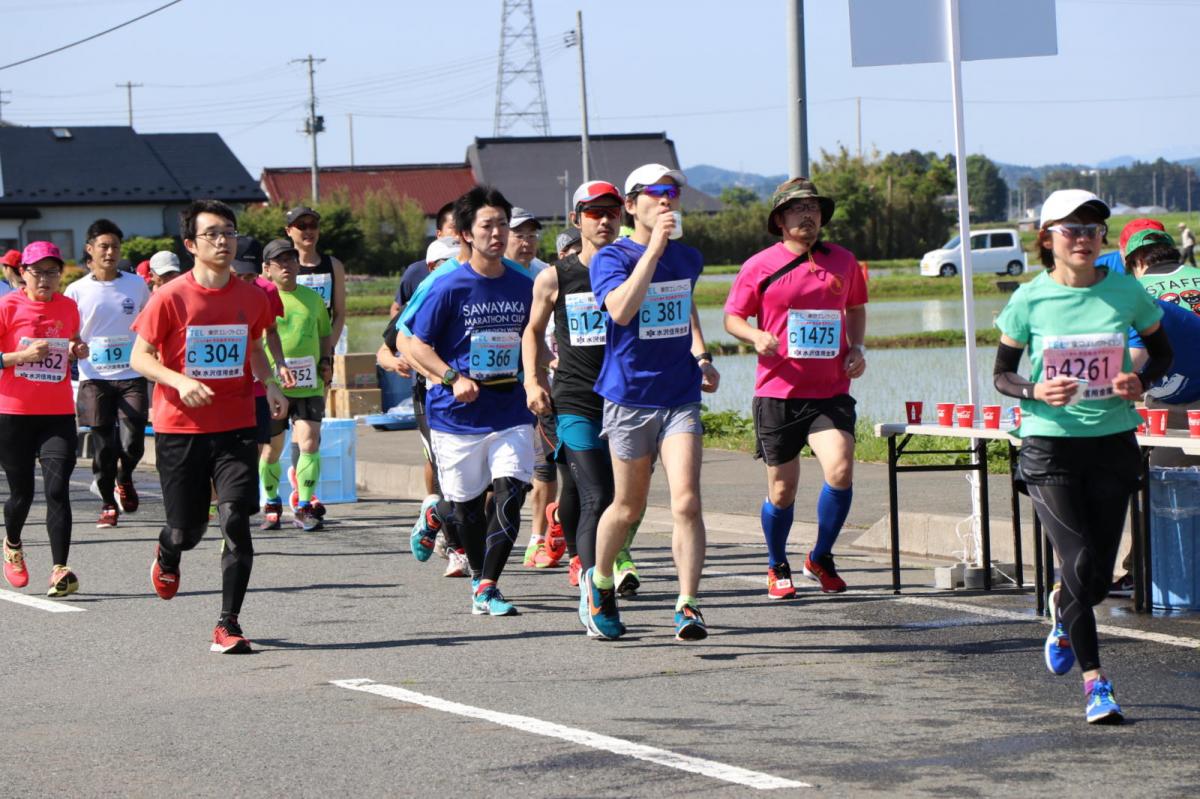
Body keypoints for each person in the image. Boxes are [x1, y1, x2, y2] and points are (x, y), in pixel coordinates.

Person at [993, 189, 1171, 724]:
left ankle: (1061, 609)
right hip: (1050, 446)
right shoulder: (1029, 299)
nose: (1084, 239)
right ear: (1047, 239)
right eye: (1071, 230)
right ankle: (1097, 684)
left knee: (1093, 579)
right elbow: (1002, 374)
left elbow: (1162, 351)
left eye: (1093, 230)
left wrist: (1141, 379)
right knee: (1082, 562)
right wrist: (1034, 391)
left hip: (1113, 442)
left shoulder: (1124, 291)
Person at [131, 199, 287, 654]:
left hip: (237, 422)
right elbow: (138, 357)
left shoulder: (251, 295)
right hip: (181, 428)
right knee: (188, 530)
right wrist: (179, 380)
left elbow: (255, 345)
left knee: (236, 517)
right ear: (190, 245)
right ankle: (168, 550)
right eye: (212, 234)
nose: (223, 241)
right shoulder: (170, 297)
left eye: (229, 232)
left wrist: (270, 383)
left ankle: (228, 623)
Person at [584, 164, 720, 641]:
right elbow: (621, 309)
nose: (667, 201)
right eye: (656, 193)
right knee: (628, 506)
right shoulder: (610, 258)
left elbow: (683, 306)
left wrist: (700, 356)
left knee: (686, 501)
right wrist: (654, 249)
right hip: (629, 397)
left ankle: (688, 604)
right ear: (631, 204)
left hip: (679, 394)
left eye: (673, 193)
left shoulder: (689, 259)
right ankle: (599, 583)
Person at [724, 178, 868, 599]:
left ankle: (820, 557)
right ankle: (776, 561)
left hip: (830, 391)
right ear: (779, 219)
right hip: (778, 392)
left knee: (840, 468)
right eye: (797, 209)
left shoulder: (842, 261)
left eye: (814, 209)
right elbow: (732, 317)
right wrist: (755, 337)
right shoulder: (759, 265)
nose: (808, 215)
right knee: (782, 490)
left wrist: (856, 347)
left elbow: (856, 308)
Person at [401, 185, 535, 617]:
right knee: (468, 509)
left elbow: (536, 340)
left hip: (511, 409)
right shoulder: (447, 285)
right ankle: (477, 573)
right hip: (456, 416)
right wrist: (451, 376)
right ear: (465, 234)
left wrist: (539, 378)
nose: (497, 233)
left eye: (502, 225)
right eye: (487, 226)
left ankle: (489, 586)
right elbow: (413, 344)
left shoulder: (524, 282)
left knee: (512, 491)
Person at [525, 180, 647, 625]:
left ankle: (580, 546)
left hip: (628, 399)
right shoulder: (557, 275)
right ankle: (596, 586)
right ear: (577, 219)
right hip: (575, 398)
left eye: (612, 211)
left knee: (615, 497)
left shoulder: (638, 266)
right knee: (598, 494)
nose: (604, 220)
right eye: (594, 213)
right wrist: (533, 381)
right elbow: (533, 331)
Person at [0, 242, 87, 597]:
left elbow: (73, 342)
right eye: (38, 272)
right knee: (22, 493)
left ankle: (59, 568)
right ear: (23, 273)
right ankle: (13, 544)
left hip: (57, 414)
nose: (46, 279)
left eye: (53, 272)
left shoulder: (68, 307)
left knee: (56, 490)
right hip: (14, 413)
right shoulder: (7, 305)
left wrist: (76, 349)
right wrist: (22, 355)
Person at [380, 236, 471, 578]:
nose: (455, 269)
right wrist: (399, 362)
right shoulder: (425, 297)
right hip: (432, 397)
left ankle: (437, 515)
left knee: (491, 485)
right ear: (432, 268)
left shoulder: (483, 290)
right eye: (446, 263)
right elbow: (387, 349)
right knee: (451, 477)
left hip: (479, 397)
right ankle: (458, 549)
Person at [65, 219, 152, 528]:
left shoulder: (135, 284)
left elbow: (150, 324)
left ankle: (125, 477)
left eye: (115, 246)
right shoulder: (76, 290)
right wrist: (75, 346)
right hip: (94, 376)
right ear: (90, 249)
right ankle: (106, 502)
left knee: (132, 443)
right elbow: (69, 333)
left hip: (131, 372)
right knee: (105, 447)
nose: (110, 252)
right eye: (103, 246)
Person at [258, 238, 333, 532]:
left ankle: (303, 505)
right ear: (267, 269)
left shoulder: (313, 299)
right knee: (271, 450)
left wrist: (326, 359)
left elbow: (325, 333)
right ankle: (272, 502)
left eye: (291, 260)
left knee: (310, 442)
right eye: (280, 262)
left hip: (309, 383)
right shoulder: (262, 297)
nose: (287, 266)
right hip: (274, 385)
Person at [503, 206, 562, 568]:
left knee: (546, 466)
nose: (526, 242)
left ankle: (538, 538)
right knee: (501, 476)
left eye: (532, 234)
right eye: (519, 234)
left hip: (541, 383)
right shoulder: (491, 275)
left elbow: (548, 334)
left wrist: (551, 366)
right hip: (499, 385)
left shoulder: (547, 275)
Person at [284, 206, 345, 513]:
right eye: (300, 226)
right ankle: (287, 486)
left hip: (316, 357)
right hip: (283, 358)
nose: (307, 231)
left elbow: (339, 313)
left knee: (310, 428)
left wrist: (328, 352)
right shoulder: (280, 267)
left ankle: (303, 490)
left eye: (312, 225)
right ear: (289, 231)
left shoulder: (332, 265)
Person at [390, 202, 457, 317]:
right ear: (439, 234)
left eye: (465, 227)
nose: (459, 233)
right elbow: (396, 309)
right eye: (453, 227)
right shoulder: (416, 271)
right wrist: (409, 332)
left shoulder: (478, 269)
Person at [1092, 217, 1164, 275]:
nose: (1144, 259)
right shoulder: (1098, 266)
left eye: (1153, 252)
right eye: (1135, 253)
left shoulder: (1172, 268)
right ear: (1121, 247)